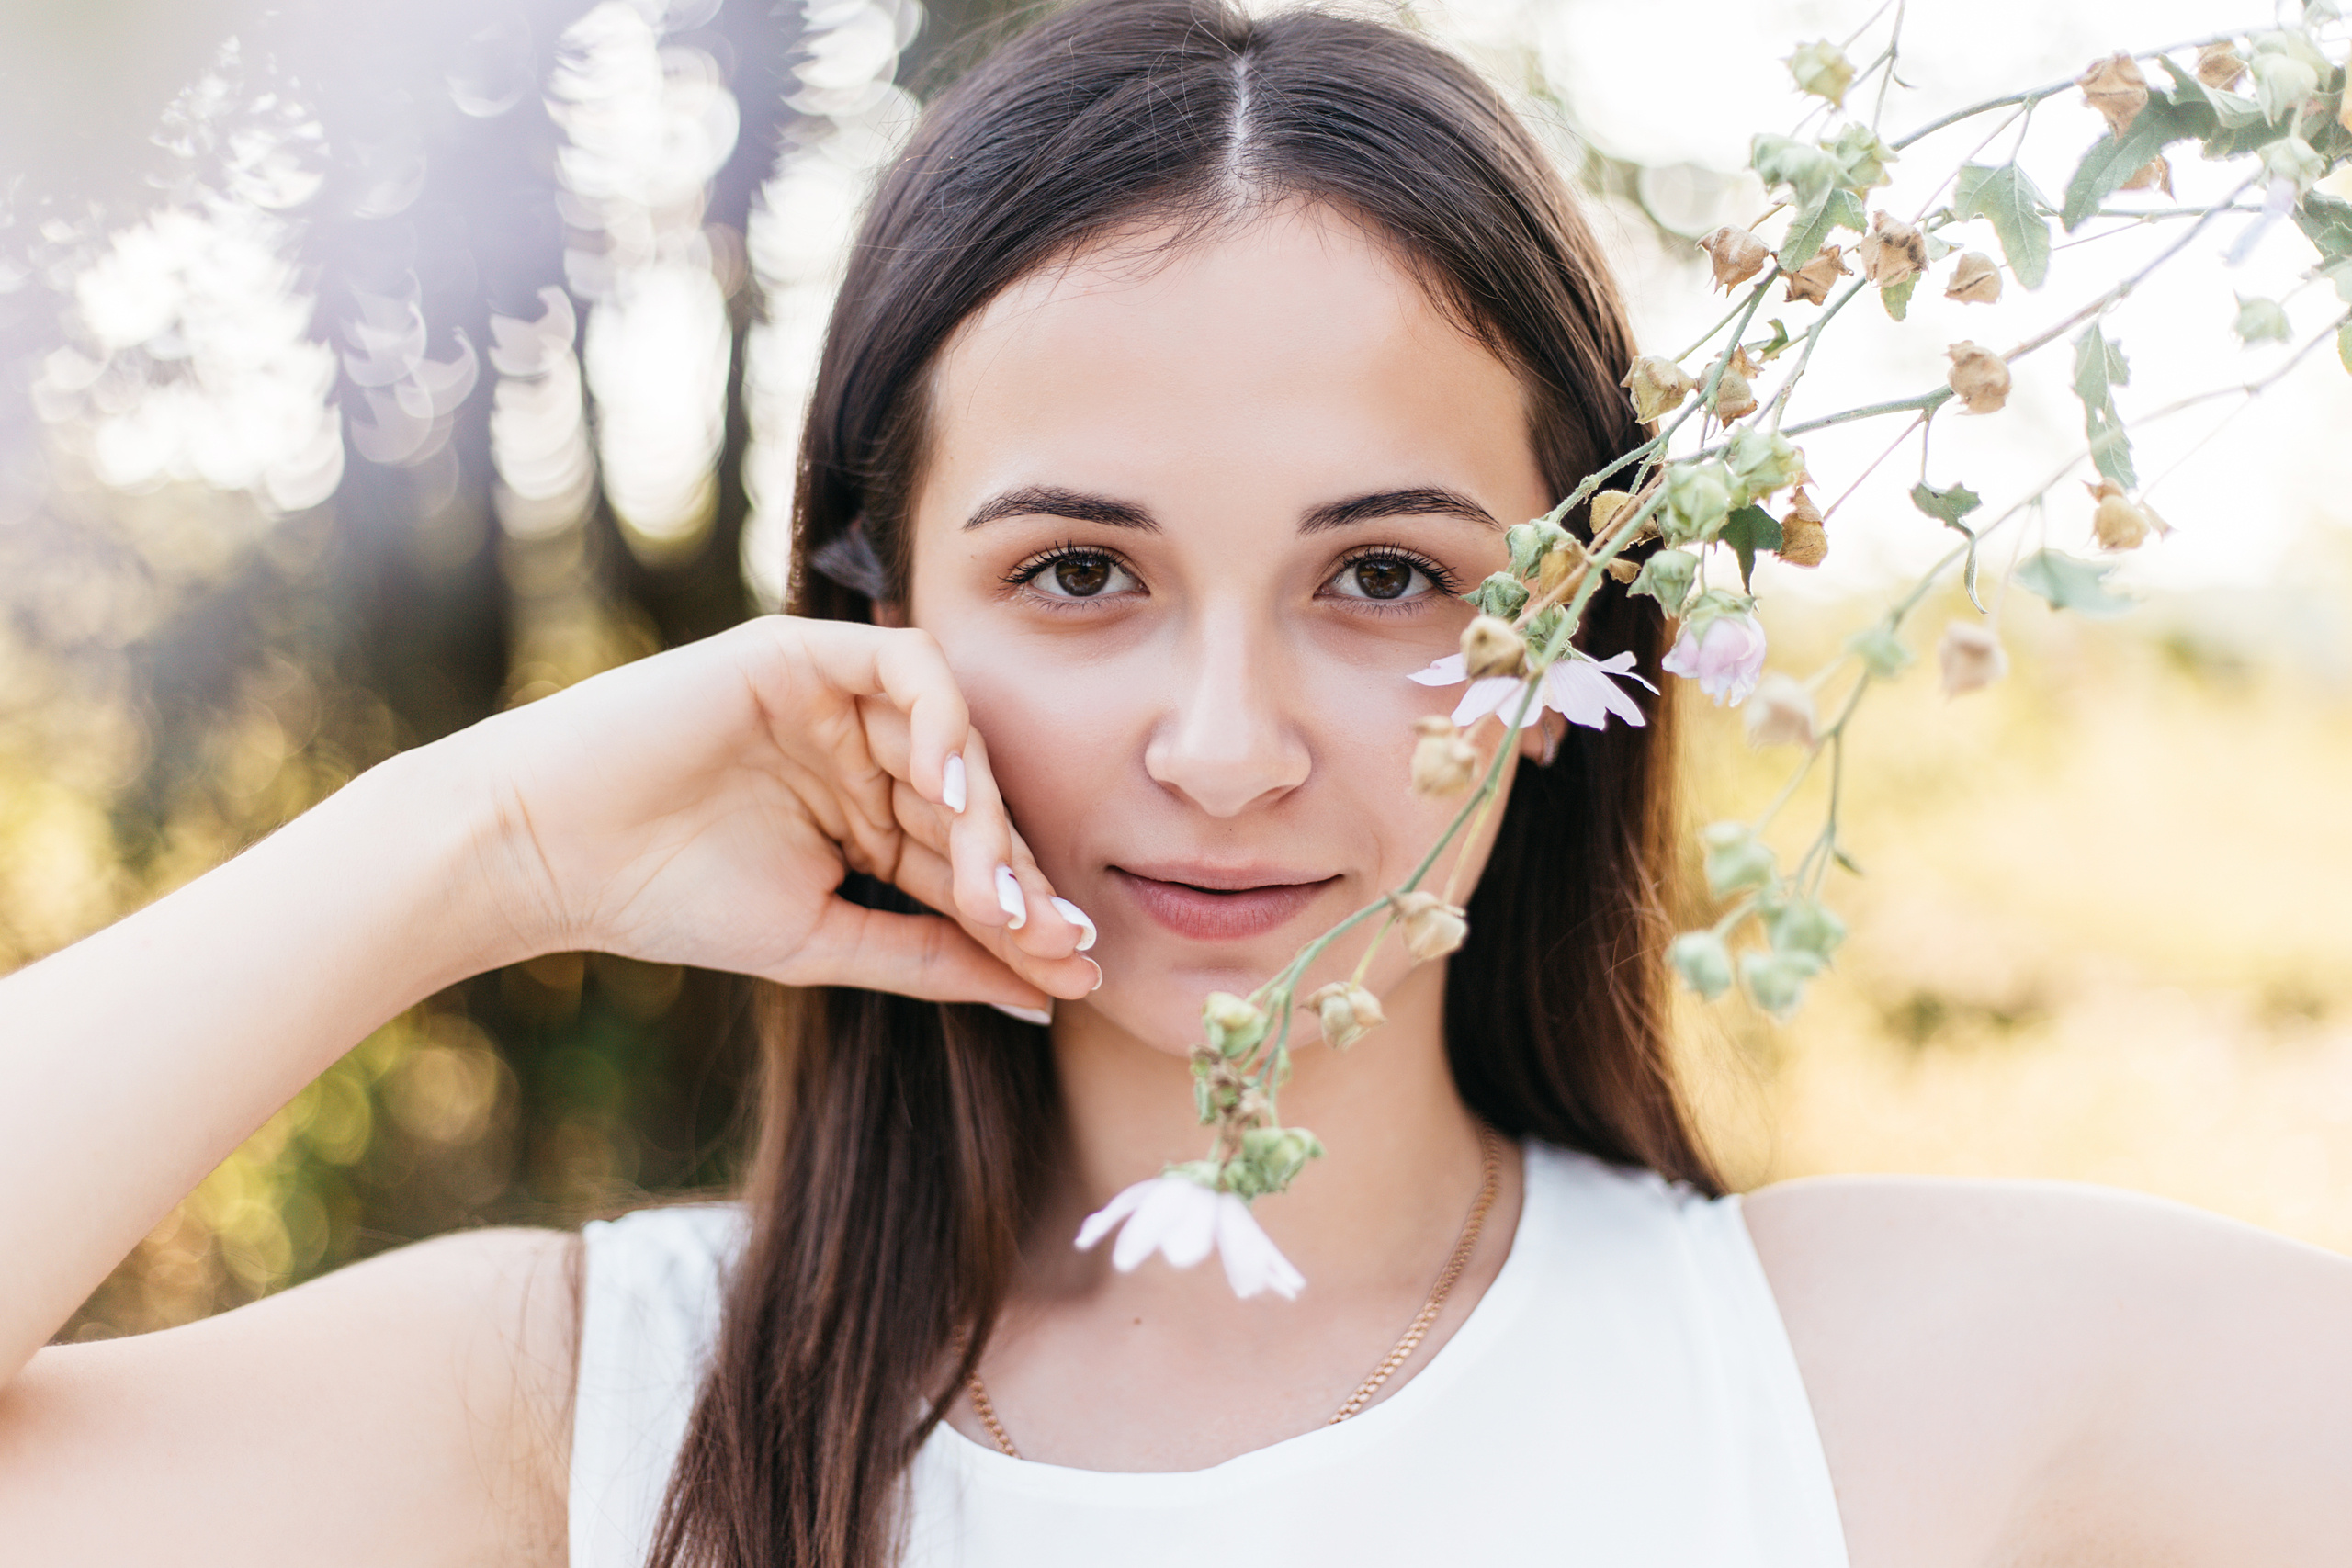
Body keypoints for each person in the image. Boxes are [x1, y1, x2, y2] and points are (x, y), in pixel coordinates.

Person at [3, 1, 2348, 1563]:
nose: (1224, 746)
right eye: (1080, 573)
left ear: (1571, 653)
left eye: (1387, 578)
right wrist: (482, 841)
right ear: (873, 615)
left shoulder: (1892, 1374)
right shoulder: (593, 1412)